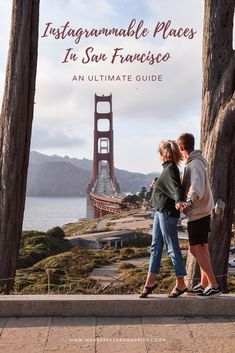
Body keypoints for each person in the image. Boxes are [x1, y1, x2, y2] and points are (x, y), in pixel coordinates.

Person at [139, 140, 188, 299]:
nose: (159, 156)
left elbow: (175, 187)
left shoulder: (171, 169)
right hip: (160, 212)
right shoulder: (167, 170)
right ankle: (150, 282)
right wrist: (156, 184)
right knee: (155, 247)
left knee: (172, 247)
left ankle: (181, 283)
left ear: (163, 154)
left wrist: (179, 200)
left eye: (159, 153)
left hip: (167, 213)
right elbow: (167, 185)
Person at [177, 132, 222, 298]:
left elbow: (196, 186)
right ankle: (204, 284)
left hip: (197, 212)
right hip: (204, 210)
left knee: (195, 249)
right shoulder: (197, 162)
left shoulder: (194, 164)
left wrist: (188, 202)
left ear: (181, 148)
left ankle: (214, 284)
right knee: (202, 247)